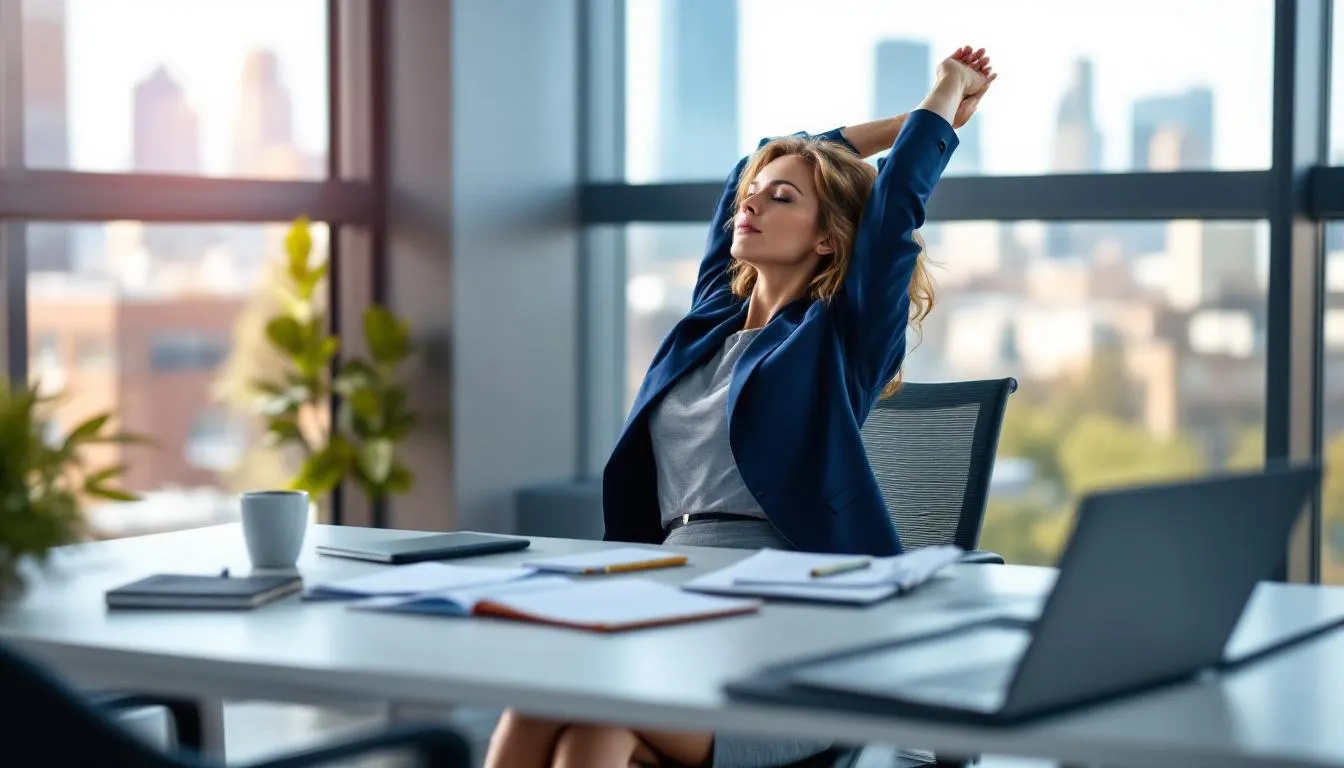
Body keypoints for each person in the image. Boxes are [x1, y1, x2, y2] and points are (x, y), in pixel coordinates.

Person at [484, 45, 996, 768]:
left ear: (827, 239)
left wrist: (943, 98)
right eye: (757, 196)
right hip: (666, 599)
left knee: (590, 713)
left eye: (781, 198)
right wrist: (875, 130)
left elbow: (894, 205)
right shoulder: (707, 322)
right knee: (566, 715)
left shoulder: (838, 339)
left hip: (792, 635)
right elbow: (748, 167)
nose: (751, 202)